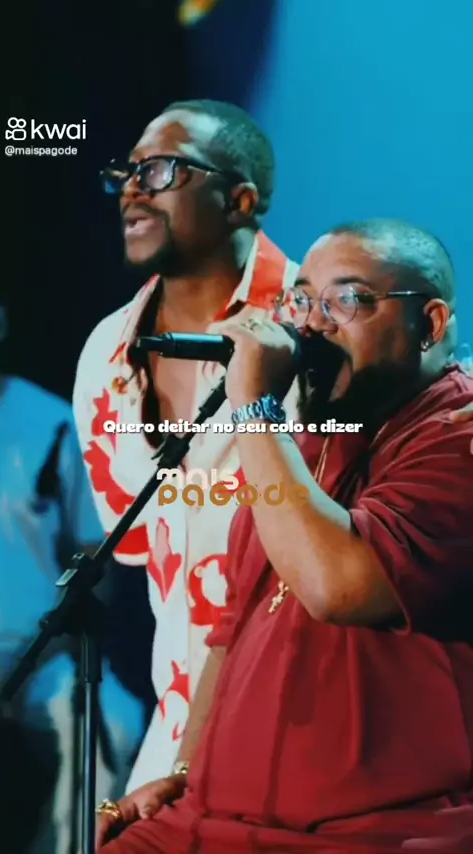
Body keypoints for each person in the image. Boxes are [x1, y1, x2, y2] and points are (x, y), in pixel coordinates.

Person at [96, 219, 473, 854]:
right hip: (213, 818)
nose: (312, 325)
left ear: (430, 324)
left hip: (375, 833)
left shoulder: (457, 434)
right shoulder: (303, 444)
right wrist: (184, 775)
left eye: (346, 300)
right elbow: (232, 630)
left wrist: (254, 410)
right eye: (301, 301)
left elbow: (338, 586)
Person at [73, 100, 299, 792]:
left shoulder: (317, 327)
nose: (133, 189)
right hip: (178, 730)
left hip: (309, 716)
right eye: (127, 173)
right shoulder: (106, 354)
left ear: (240, 201)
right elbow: (140, 545)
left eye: (161, 169)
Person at [0, 288, 143, 853]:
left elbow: (94, 558)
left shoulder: (52, 423)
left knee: (113, 725)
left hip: (36, 654)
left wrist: (39, 650)